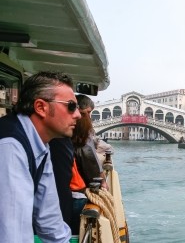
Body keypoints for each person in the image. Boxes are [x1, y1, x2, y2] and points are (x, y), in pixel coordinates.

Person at [0, 71, 80, 242]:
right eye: (71, 106)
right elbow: (13, 234)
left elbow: (49, 220)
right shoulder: (10, 146)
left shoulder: (41, 144)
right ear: (41, 107)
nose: (78, 115)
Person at [70, 94, 108, 234]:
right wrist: (102, 182)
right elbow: (88, 158)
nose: (87, 118)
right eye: (87, 113)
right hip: (76, 197)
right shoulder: (81, 137)